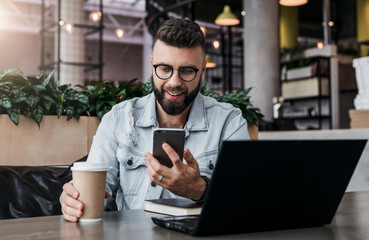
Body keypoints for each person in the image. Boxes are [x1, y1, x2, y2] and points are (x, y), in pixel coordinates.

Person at [61, 18, 250, 222]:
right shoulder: (119, 118)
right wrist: (73, 200)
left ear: (203, 70)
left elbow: (247, 196)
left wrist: (200, 190)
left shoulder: (229, 122)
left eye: (187, 71)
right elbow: (97, 188)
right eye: (165, 69)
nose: (174, 82)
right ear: (152, 65)